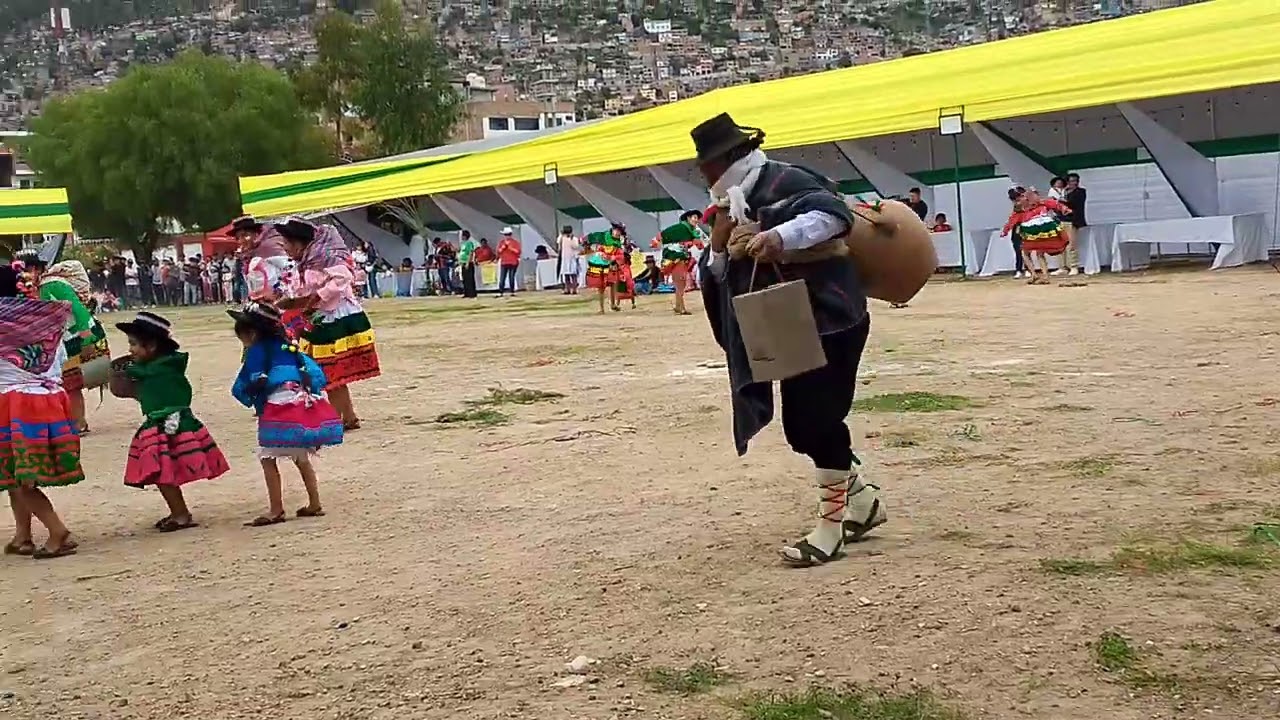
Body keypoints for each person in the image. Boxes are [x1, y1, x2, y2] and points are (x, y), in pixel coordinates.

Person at [690, 112, 887, 567]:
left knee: (816, 420)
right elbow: (718, 274)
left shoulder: (786, 180)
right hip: (783, 325)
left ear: (729, 159)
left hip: (832, 320)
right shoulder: (725, 207)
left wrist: (779, 236)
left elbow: (832, 216)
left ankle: (830, 528)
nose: (704, 173)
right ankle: (863, 502)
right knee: (803, 429)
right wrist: (719, 247)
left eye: (707, 165)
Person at [230, 301, 343, 526]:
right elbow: (314, 375)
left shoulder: (258, 350)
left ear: (251, 333)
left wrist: (250, 396)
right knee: (301, 458)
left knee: (268, 457)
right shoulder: (288, 345)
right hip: (301, 403)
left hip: (280, 406)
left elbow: (248, 383)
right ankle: (314, 502)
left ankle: (276, 509)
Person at [117, 311, 229, 532]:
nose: (130, 350)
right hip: (168, 422)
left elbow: (138, 372)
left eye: (134, 344)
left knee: (161, 471)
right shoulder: (165, 364)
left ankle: (180, 514)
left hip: (166, 424)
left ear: (151, 346)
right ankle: (178, 511)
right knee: (164, 472)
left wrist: (124, 368)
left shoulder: (158, 368)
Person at [1, 265, 84, 559]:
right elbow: (59, 362)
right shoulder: (45, 321)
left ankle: (58, 532)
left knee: (20, 479)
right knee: (17, 477)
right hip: (47, 401)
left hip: (15, 405)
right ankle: (23, 536)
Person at [273, 218, 380, 430]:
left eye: (286, 243)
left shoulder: (328, 258)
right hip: (319, 318)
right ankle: (347, 417)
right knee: (329, 373)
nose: (284, 248)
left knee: (331, 373)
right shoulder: (305, 263)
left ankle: (339, 418)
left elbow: (342, 279)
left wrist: (316, 297)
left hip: (336, 318)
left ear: (298, 243)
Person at [26, 257, 110, 433]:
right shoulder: (32, 290)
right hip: (61, 342)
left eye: (31, 270)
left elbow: (78, 310)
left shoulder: (53, 285)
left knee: (71, 385)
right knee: (64, 384)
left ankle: (79, 423)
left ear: (39, 270)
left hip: (76, 338)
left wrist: (87, 339)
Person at [1002, 186, 1071, 285]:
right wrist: (1063, 208)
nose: (1018, 201)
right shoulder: (1031, 201)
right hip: (1037, 227)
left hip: (1033, 227)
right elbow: (1050, 203)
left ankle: (1037, 275)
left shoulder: (1026, 204)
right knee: (1034, 253)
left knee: (1029, 253)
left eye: (1018, 199)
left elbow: (1014, 218)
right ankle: (1040, 275)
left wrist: (1063, 207)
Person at [653, 210, 707, 315]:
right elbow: (661, 237)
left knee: (680, 282)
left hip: (680, 257)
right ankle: (681, 307)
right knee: (680, 281)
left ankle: (679, 306)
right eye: (694, 218)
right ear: (688, 218)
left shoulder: (691, 231)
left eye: (697, 218)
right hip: (676, 257)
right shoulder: (682, 228)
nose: (696, 220)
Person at [1062, 173, 1088, 276]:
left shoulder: (1080, 192)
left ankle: (1074, 266)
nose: (1074, 183)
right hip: (1062, 219)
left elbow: (1073, 204)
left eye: (1075, 181)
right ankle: (1063, 266)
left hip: (1073, 220)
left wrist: (1061, 201)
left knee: (1072, 244)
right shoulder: (1064, 192)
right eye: (1072, 181)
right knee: (1061, 244)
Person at [496, 227, 522, 297]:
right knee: (502, 278)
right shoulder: (501, 243)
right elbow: (498, 252)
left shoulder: (515, 242)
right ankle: (501, 291)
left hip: (513, 262)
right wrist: (503, 248)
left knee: (511, 277)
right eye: (505, 235)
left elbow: (518, 252)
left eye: (507, 235)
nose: (506, 236)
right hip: (504, 262)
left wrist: (510, 248)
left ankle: (512, 291)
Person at [557, 226, 580, 294]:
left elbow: (576, 246)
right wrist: (561, 234)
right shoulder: (562, 238)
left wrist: (571, 239)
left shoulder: (574, 238)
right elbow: (558, 242)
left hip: (572, 258)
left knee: (573, 274)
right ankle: (567, 289)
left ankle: (574, 289)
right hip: (564, 258)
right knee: (566, 275)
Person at [458, 231, 478, 298]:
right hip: (462, 262)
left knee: (469, 278)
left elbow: (470, 253)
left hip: (468, 262)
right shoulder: (462, 243)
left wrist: (467, 262)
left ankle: (472, 293)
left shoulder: (469, 243)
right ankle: (466, 292)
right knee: (465, 278)